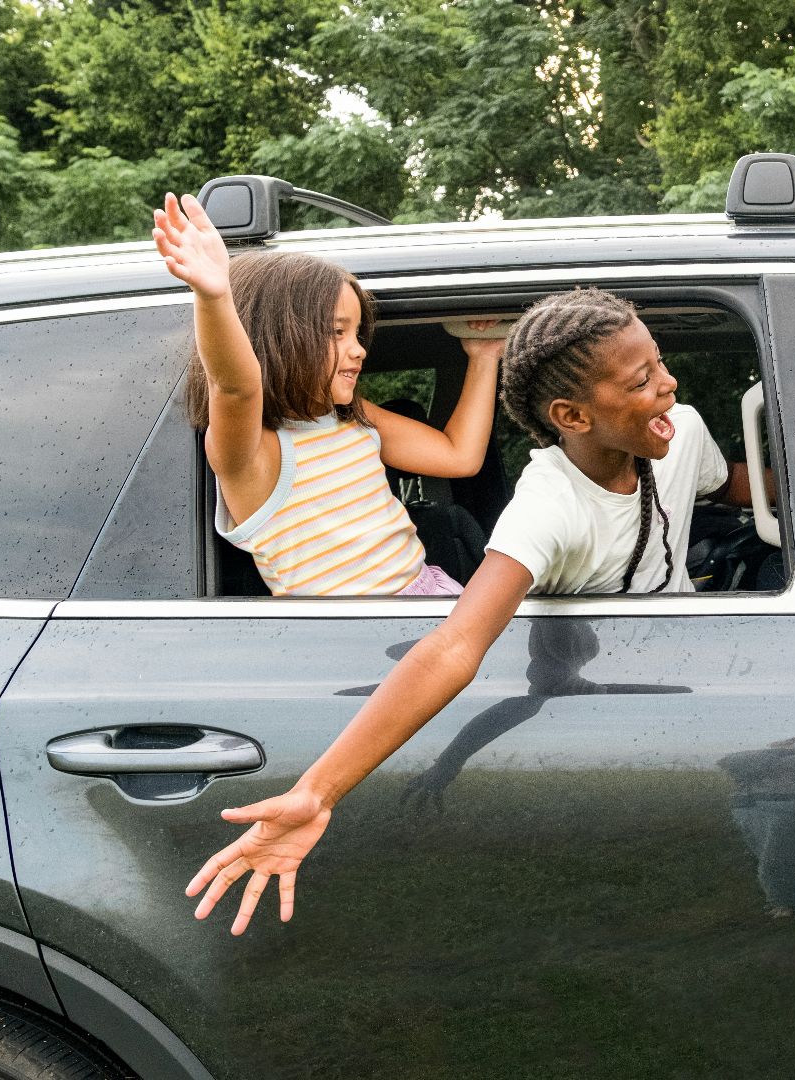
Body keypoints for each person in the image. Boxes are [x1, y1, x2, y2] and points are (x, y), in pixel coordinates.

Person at [184, 287, 765, 934]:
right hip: (592, 696)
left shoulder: (678, 428)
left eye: (659, 363)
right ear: (571, 416)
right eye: (643, 378)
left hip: (690, 668)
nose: (669, 384)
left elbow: (735, 484)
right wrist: (317, 790)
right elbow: (458, 645)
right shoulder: (546, 506)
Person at [153, 192, 501, 596]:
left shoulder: (351, 417)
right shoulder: (255, 455)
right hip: (360, 638)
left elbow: (459, 455)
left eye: (357, 332)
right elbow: (236, 388)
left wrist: (484, 354)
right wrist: (214, 297)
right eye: (337, 332)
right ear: (279, 338)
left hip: (431, 598)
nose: (359, 349)